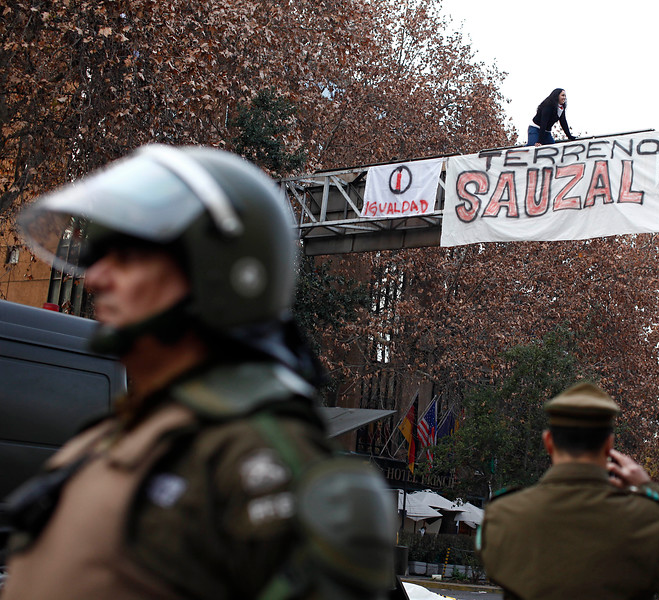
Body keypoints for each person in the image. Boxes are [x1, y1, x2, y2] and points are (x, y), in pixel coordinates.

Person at [3, 144, 396, 599]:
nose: (95, 278)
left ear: (217, 275)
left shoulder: (255, 454)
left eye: (128, 258)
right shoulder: (117, 434)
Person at [476, 382, 659, 600]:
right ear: (609, 445)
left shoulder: (504, 514)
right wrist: (646, 487)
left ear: (548, 441)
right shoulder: (649, 521)